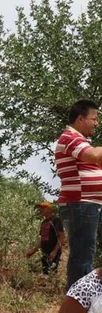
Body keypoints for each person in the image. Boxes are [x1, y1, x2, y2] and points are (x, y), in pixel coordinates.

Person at [57, 100, 102, 290]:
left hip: (87, 205)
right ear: (80, 119)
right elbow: (92, 156)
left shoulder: (80, 141)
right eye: (94, 118)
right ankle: (77, 309)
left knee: (85, 256)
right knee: (82, 258)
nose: (96, 123)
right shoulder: (70, 137)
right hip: (81, 204)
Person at [25, 202, 64, 276]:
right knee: (45, 274)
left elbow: (61, 237)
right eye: (41, 208)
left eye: (43, 208)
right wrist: (32, 251)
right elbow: (42, 239)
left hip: (53, 252)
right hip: (44, 252)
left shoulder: (56, 220)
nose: (41, 210)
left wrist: (54, 252)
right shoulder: (43, 223)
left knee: (52, 273)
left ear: (49, 209)